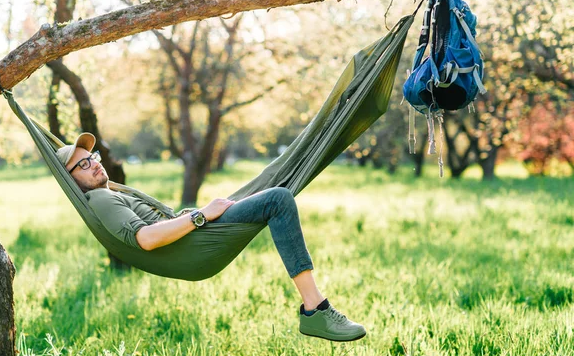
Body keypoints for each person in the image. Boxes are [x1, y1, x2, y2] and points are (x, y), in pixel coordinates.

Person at [56, 133, 366, 342]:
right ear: (71, 180)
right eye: (82, 164)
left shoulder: (112, 192)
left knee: (273, 191)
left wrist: (192, 214)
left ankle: (316, 311)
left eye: (92, 156)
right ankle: (316, 310)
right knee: (278, 199)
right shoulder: (101, 199)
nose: (94, 163)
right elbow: (146, 239)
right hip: (191, 248)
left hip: (193, 239)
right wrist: (201, 215)